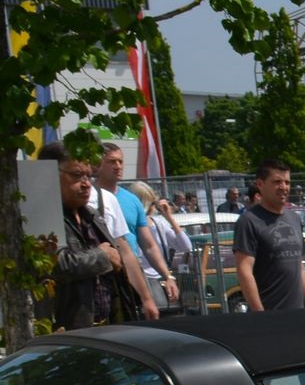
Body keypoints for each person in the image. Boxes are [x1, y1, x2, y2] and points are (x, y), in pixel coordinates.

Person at [38, 141, 156, 329]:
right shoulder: (41, 216)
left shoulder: (92, 215)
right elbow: (57, 264)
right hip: (69, 333)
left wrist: (145, 298)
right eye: (77, 175)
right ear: (50, 175)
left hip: (108, 326)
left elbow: (123, 255)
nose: (86, 184)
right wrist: (103, 256)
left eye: (89, 176)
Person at [92, 144, 178, 309]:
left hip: (133, 270)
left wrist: (168, 276)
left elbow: (148, 245)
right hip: (104, 273)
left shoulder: (132, 200)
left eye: (120, 161)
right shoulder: (90, 198)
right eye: (112, 161)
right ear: (98, 164)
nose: (118, 166)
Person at [233, 160, 305, 312]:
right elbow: (244, 271)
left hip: (299, 316)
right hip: (270, 317)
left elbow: (299, 266)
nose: (284, 187)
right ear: (260, 184)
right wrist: (261, 315)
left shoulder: (294, 219)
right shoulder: (249, 221)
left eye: (287, 182)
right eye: (277, 182)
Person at [130, 181, 192, 305]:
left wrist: (169, 217)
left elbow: (186, 246)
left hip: (159, 277)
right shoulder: (129, 225)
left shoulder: (158, 223)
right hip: (140, 278)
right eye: (149, 203)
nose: (151, 208)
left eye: (153, 203)